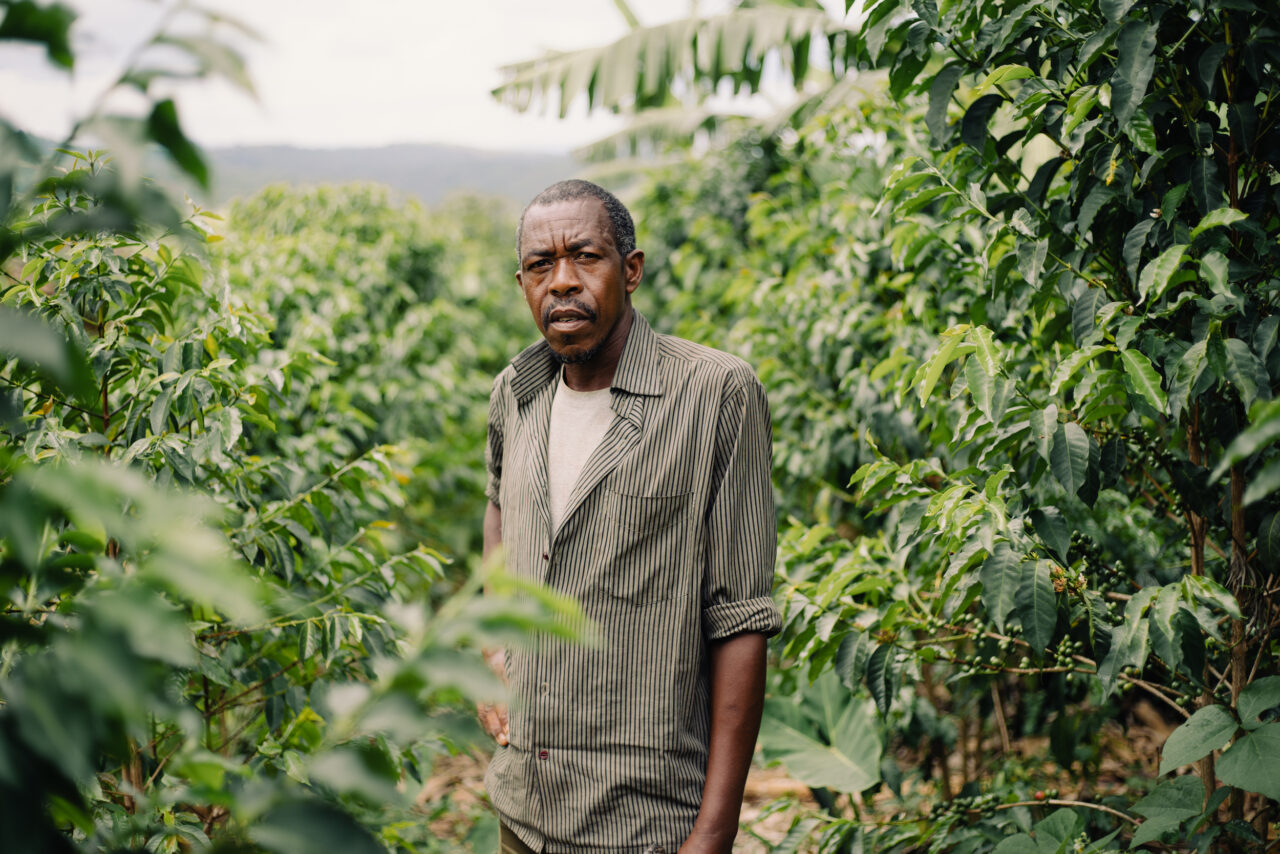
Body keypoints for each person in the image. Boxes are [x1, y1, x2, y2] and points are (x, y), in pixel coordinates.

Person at [480, 179, 780, 853]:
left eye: (585, 256)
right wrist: (491, 645)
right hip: (523, 811)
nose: (561, 282)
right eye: (539, 266)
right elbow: (500, 507)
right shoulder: (515, 394)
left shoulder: (715, 395)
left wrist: (714, 833)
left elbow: (741, 617)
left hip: (643, 824)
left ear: (632, 270)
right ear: (522, 281)